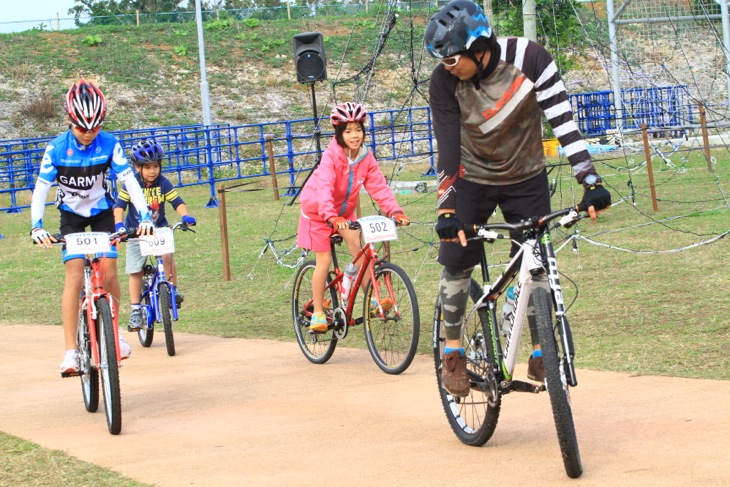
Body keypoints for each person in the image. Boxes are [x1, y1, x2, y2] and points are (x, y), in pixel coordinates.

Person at [424, 0, 612, 396]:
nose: (447, 66)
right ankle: (453, 352)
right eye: (441, 60)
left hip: (526, 176)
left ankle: (543, 346)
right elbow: (448, 145)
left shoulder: (530, 58)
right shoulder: (444, 82)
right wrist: (447, 207)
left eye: (453, 58)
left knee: (537, 261)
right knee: (457, 259)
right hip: (471, 177)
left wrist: (590, 179)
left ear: (480, 48)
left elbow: (563, 121)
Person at [30, 78, 154, 375]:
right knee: (74, 276)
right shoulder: (56, 149)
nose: (89, 134)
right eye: (82, 128)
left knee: (110, 272)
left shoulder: (110, 143)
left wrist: (146, 217)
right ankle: (71, 351)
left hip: (101, 212)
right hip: (71, 215)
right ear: (70, 122)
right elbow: (41, 189)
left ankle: (115, 334)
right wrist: (37, 226)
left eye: (95, 127)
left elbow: (130, 182)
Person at [296, 102, 411, 332]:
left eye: (358, 129)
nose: (354, 135)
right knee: (324, 261)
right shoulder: (331, 157)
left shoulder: (365, 158)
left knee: (360, 250)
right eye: (348, 131)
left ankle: (372, 299)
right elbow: (325, 188)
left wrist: (394, 211)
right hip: (317, 213)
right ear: (339, 133)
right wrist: (330, 216)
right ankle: (318, 312)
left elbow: (379, 187)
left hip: (343, 213)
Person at [113, 138, 196, 330]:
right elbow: (119, 206)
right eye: (147, 167)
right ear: (136, 167)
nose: (153, 171)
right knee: (135, 271)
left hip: (159, 230)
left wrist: (185, 216)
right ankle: (135, 310)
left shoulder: (163, 183)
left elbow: (177, 202)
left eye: (156, 166)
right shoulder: (130, 185)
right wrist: (119, 224)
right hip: (136, 233)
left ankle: (172, 289)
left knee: (167, 256)